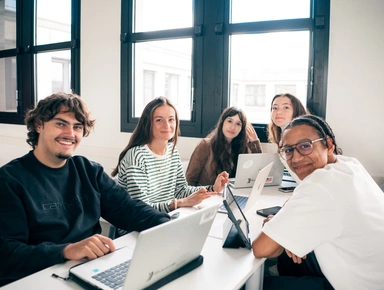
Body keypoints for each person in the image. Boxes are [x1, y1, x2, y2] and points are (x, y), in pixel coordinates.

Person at [0, 93, 171, 287]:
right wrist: (66, 250)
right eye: (60, 124)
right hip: (42, 278)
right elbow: (6, 254)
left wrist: (166, 224)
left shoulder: (89, 170)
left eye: (77, 127)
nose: (70, 133)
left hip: (91, 269)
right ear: (39, 125)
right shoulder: (9, 180)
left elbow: (128, 208)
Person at [252, 115, 384, 289]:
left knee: (259, 285)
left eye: (305, 146)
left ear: (329, 145)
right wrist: (284, 228)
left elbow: (261, 249)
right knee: (287, 257)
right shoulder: (349, 165)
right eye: (289, 150)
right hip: (373, 272)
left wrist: (278, 226)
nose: (296, 158)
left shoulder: (320, 185)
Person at [111, 97, 228, 213]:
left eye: (171, 119)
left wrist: (212, 188)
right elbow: (141, 208)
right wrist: (180, 203)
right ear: (148, 123)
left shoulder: (172, 151)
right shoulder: (136, 157)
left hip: (166, 218)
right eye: (159, 120)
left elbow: (180, 190)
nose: (166, 125)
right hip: (138, 226)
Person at [185, 106, 262, 186]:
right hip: (208, 196)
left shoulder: (242, 148)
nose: (232, 127)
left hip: (231, 194)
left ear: (242, 129)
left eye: (238, 124)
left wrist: (255, 142)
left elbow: (258, 170)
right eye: (229, 121)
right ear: (222, 122)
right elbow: (189, 181)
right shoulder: (205, 145)